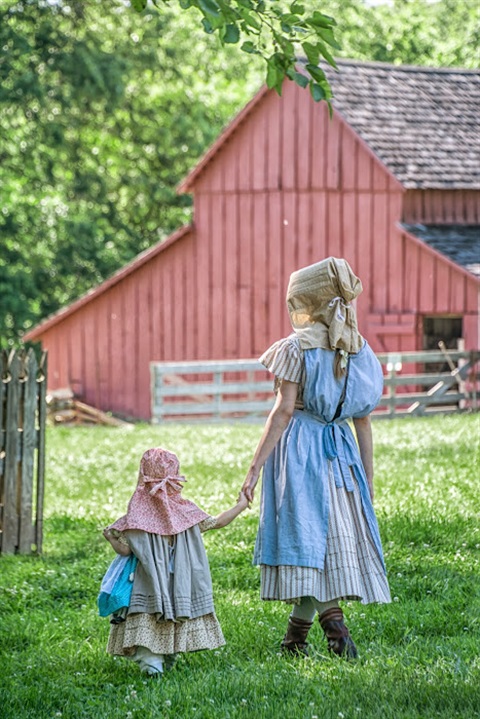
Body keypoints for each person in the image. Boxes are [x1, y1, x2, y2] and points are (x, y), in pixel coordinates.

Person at [241, 257, 391, 659]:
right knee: (321, 546)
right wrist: (367, 478)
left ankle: (337, 634)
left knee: (312, 542)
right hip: (340, 453)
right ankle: (294, 641)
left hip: (302, 448)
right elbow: (362, 422)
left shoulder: (297, 347)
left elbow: (283, 411)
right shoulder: (358, 348)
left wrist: (253, 470)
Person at [102, 447, 249, 676]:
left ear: (143, 475)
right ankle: (168, 655)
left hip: (147, 583)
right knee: (175, 613)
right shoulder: (186, 513)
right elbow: (216, 522)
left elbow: (124, 550)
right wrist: (240, 505)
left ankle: (152, 663)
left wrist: (111, 538)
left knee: (147, 615)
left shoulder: (136, 517)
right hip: (180, 583)